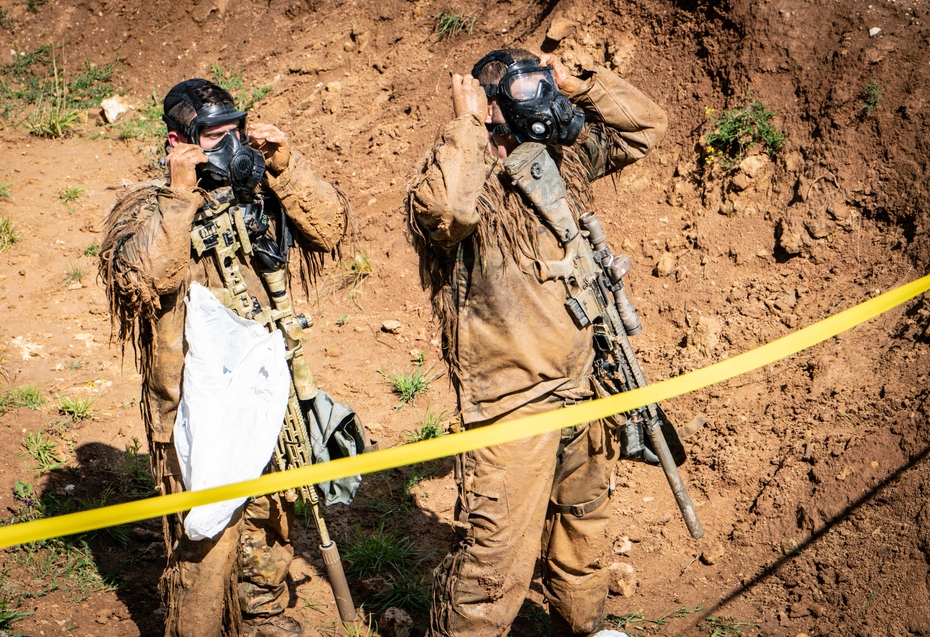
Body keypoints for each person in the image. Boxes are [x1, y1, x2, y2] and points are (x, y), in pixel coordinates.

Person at [406, 49, 667, 636]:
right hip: (513, 403)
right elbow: (450, 212)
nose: (542, 101)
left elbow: (645, 127)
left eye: (541, 88)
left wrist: (582, 85)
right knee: (494, 562)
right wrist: (468, 123)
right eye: (525, 92)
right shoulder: (458, 173)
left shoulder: (555, 162)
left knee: (584, 523)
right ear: (492, 105)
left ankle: (585, 626)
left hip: (586, 382)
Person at [99, 78, 348, 637]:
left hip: (264, 390)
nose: (231, 145)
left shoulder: (258, 194)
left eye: (236, 130)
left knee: (269, 515)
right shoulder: (151, 207)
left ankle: (262, 615)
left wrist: (288, 167)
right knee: (207, 538)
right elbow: (148, 279)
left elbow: (328, 228)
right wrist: (180, 193)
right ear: (178, 141)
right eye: (215, 137)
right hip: (194, 403)